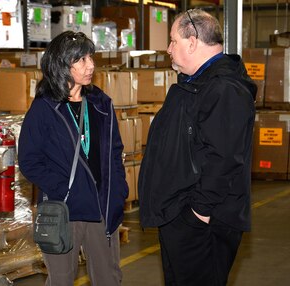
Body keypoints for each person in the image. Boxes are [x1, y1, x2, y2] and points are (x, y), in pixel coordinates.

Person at [138, 9, 257, 286]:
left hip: (201, 221)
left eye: (173, 41)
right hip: (181, 215)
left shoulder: (224, 89)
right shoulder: (193, 85)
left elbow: (225, 158)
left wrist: (198, 213)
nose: (168, 49)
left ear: (192, 42)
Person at [18, 30, 128, 286]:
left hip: (102, 208)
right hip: (64, 211)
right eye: (81, 60)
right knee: (62, 280)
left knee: (109, 278)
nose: (90, 65)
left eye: (90, 58)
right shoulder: (45, 108)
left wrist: (119, 191)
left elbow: (114, 152)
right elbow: (29, 160)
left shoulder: (101, 103)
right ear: (61, 64)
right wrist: (63, 191)